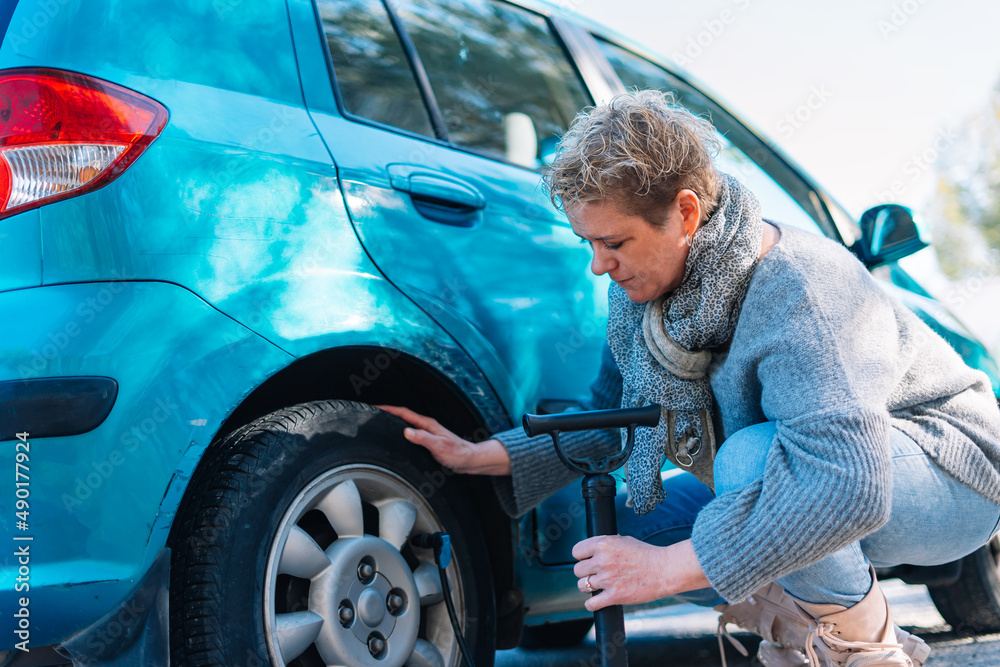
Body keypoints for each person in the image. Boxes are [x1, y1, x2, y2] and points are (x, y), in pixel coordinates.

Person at [379, 90, 1000, 667]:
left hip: (946, 477)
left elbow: (847, 485)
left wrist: (672, 569)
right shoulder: (645, 302)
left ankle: (862, 652)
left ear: (685, 212)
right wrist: (481, 455)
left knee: (748, 462)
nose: (599, 266)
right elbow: (613, 419)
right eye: (588, 243)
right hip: (824, 474)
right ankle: (812, 630)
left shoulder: (803, 289)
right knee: (623, 534)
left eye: (614, 241)